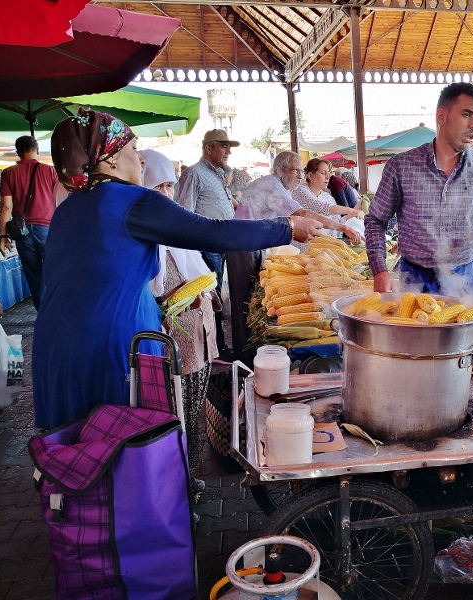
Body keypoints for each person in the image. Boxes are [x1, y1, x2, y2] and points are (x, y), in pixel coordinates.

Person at [33, 110, 322, 430]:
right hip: (111, 347)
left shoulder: (68, 209)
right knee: (123, 448)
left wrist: (159, 306)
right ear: (110, 158)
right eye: (132, 148)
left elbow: (88, 282)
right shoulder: (133, 200)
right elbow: (213, 232)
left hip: (55, 347)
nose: (141, 160)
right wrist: (286, 227)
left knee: (75, 454)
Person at [364, 82, 473, 300]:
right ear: (441, 116)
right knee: (418, 333)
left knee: (472, 335)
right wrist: (380, 269)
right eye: (467, 114)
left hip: (466, 275)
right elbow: (375, 220)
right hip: (415, 277)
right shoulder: (402, 166)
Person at [227, 151, 362, 366]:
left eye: (301, 170)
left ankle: (249, 359)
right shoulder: (272, 187)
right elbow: (302, 215)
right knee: (246, 304)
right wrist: (341, 226)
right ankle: (246, 363)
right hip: (243, 245)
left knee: (248, 302)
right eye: (296, 170)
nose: (300, 175)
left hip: (250, 243)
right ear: (280, 170)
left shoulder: (276, 185)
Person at [141, 149, 218, 476]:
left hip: (198, 338)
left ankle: (191, 474)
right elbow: (149, 299)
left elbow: (198, 272)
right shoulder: (145, 239)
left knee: (196, 408)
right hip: (173, 345)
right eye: (159, 188)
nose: (167, 195)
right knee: (176, 412)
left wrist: (208, 294)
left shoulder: (177, 232)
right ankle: (176, 479)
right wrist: (172, 304)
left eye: (170, 187)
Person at [177, 129, 239, 359]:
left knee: (220, 298)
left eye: (229, 147)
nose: (228, 151)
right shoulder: (194, 173)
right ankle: (216, 349)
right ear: (209, 148)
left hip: (223, 245)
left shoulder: (218, 173)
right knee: (209, 298)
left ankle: (220, 345)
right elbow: (184, 213)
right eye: (224, 146)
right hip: (206, 247)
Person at [0, 136, 59, 310]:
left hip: (22, 233)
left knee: (34, 278)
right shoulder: (50, 172)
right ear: (37, 149)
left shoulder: (9, 173)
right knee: (54, 273)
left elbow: (5, 207)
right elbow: (59, 202)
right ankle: (58, 313)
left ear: (18, 152)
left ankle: (43, 315)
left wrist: (3, 236)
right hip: (48, 230)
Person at [293, 159, 364, 236]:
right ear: (310, 176)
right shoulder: (300, 190)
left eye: (329, 173)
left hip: (325, 243)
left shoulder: (327, 196)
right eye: (323, 173)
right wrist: (351, 211)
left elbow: (338, 221)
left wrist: (356, 211)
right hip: (305, 244)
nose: (327, 177)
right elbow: (321, 207)